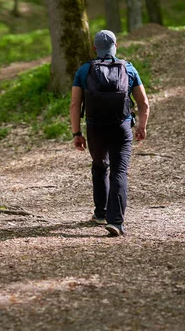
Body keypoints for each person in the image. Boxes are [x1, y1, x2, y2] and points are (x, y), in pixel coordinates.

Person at [70, 30, 149, 236]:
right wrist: (141, 126)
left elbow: (74, 104)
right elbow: (144, 103)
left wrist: (76, 133)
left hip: (95, 127)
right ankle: (116, 221)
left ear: (95, 48)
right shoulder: (128, 68)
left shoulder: (84, 70)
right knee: (119, 171)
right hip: (121, 126)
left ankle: (100, 213)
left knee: (99, 166)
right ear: (116, 46)